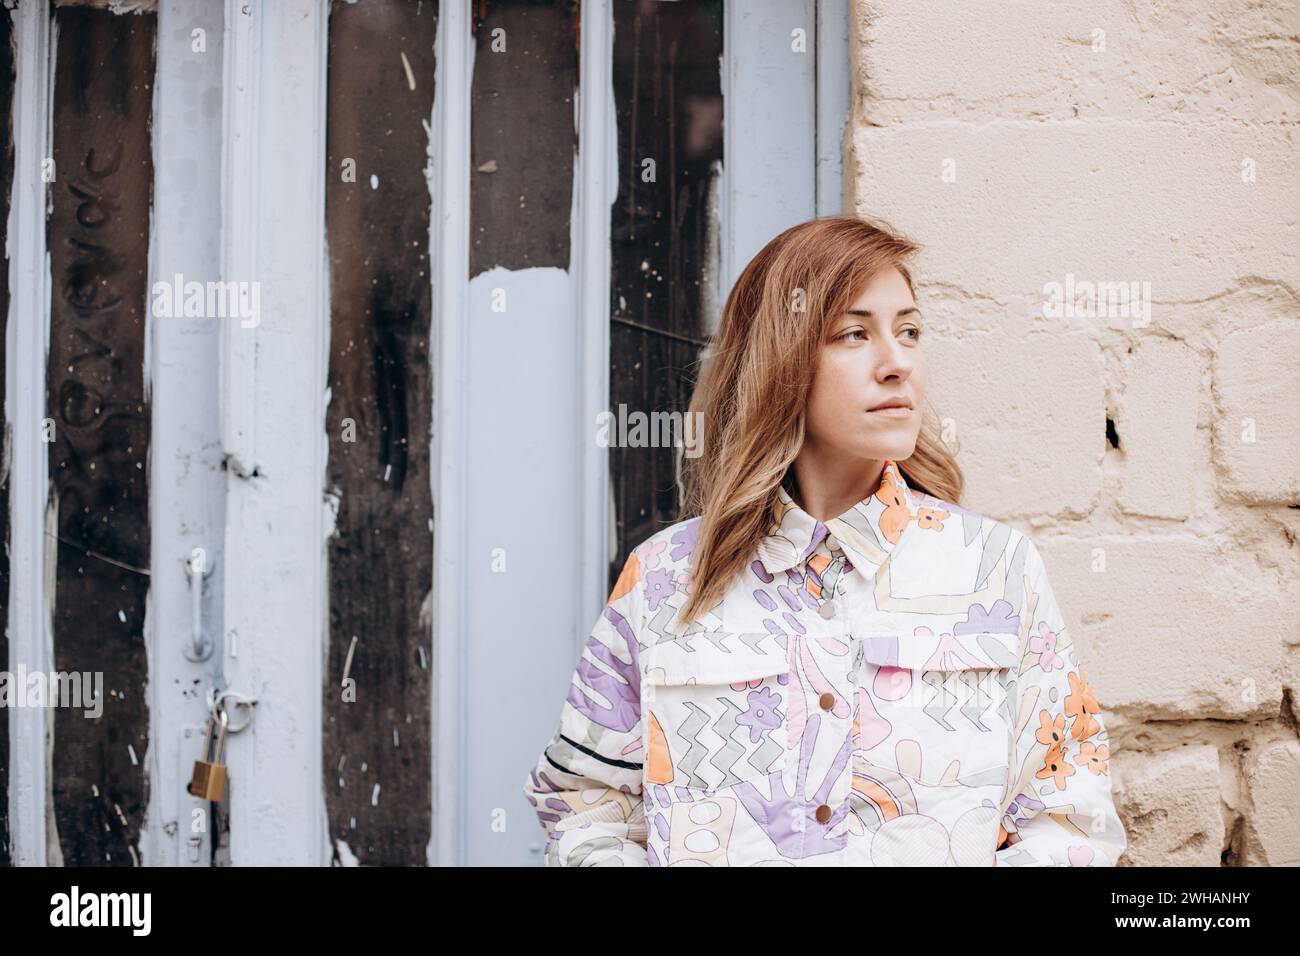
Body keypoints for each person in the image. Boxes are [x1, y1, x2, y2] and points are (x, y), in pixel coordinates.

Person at [521, 215, 1127, 867]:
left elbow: (1068, 824)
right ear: (781, 358)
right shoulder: (665, 579)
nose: (897, 364)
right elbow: (585, 808)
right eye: (855, 334)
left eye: (910, 331)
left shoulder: (997, 569)